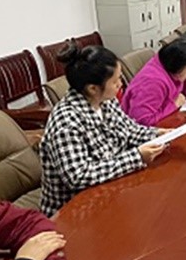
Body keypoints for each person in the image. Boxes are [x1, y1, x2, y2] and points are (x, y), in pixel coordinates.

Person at [39, 44, 167, 217]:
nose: (120, 84)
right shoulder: (66, 123)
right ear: (92, 88)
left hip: (112, 189)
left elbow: (129, 129)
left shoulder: (106, 100)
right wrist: (136, 157)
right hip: (75, 212)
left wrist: (157, 134)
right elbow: (79, 177)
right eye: (115, 81)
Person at [121, 42, 186, 126]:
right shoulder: (153, 82)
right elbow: (142, 121)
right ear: (177, 63)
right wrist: (173, 105)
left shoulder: (174, 73)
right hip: (143, 130)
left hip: (166, 120)